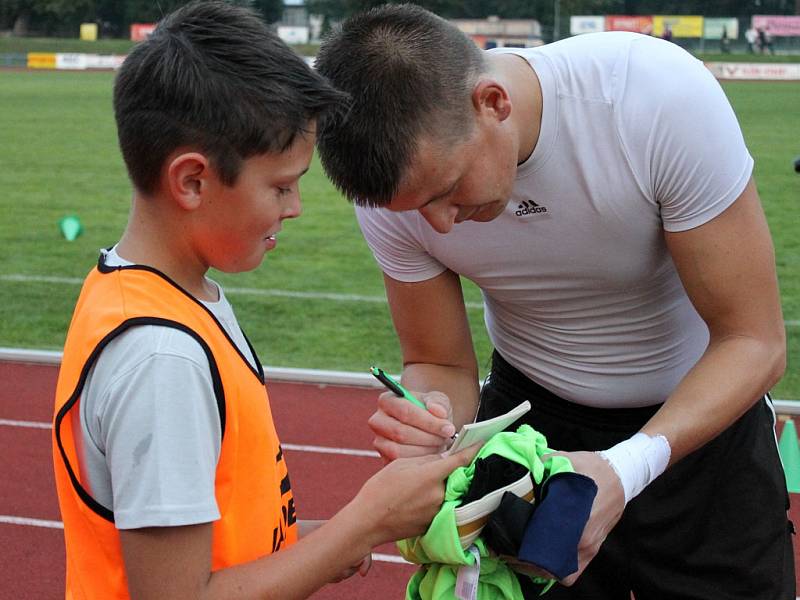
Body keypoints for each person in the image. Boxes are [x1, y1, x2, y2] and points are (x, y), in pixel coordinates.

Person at [315, 4, 793, 598]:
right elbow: (440, 362)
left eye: (447, 190)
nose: (439, 225)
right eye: (415, 209)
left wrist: (623, 468)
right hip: (530, 434)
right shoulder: (393, 190)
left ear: (493, 102)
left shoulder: (651, 99)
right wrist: (434, 417)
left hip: (702, 427)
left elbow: (754, 341)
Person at [51, 3, 477, 599]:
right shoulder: (161, 359)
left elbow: (220, 532)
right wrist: (365, 523)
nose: (295, 206)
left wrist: (321, 545)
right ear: (192, 181)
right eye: (281, 185)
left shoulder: (163, 297)